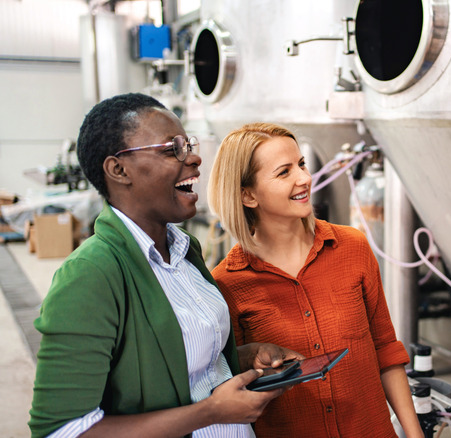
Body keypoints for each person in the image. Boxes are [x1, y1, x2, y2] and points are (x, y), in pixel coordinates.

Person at [28, 93, 302, 438]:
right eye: (172, 149)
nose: (194, 158)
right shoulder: (91, 274)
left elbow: (186, 366)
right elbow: (61, 431)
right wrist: (209, 413)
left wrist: (246, 357)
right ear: (118, 170)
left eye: (188, 145)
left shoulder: (185, 251)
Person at [208, 122, 424, 438]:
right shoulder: (227, 283)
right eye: (284, 172)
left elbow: (386, 350)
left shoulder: (352, 247)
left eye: (302, 164)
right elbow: (233, 385)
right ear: (248, 195)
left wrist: (414, 434)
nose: (304, 178)